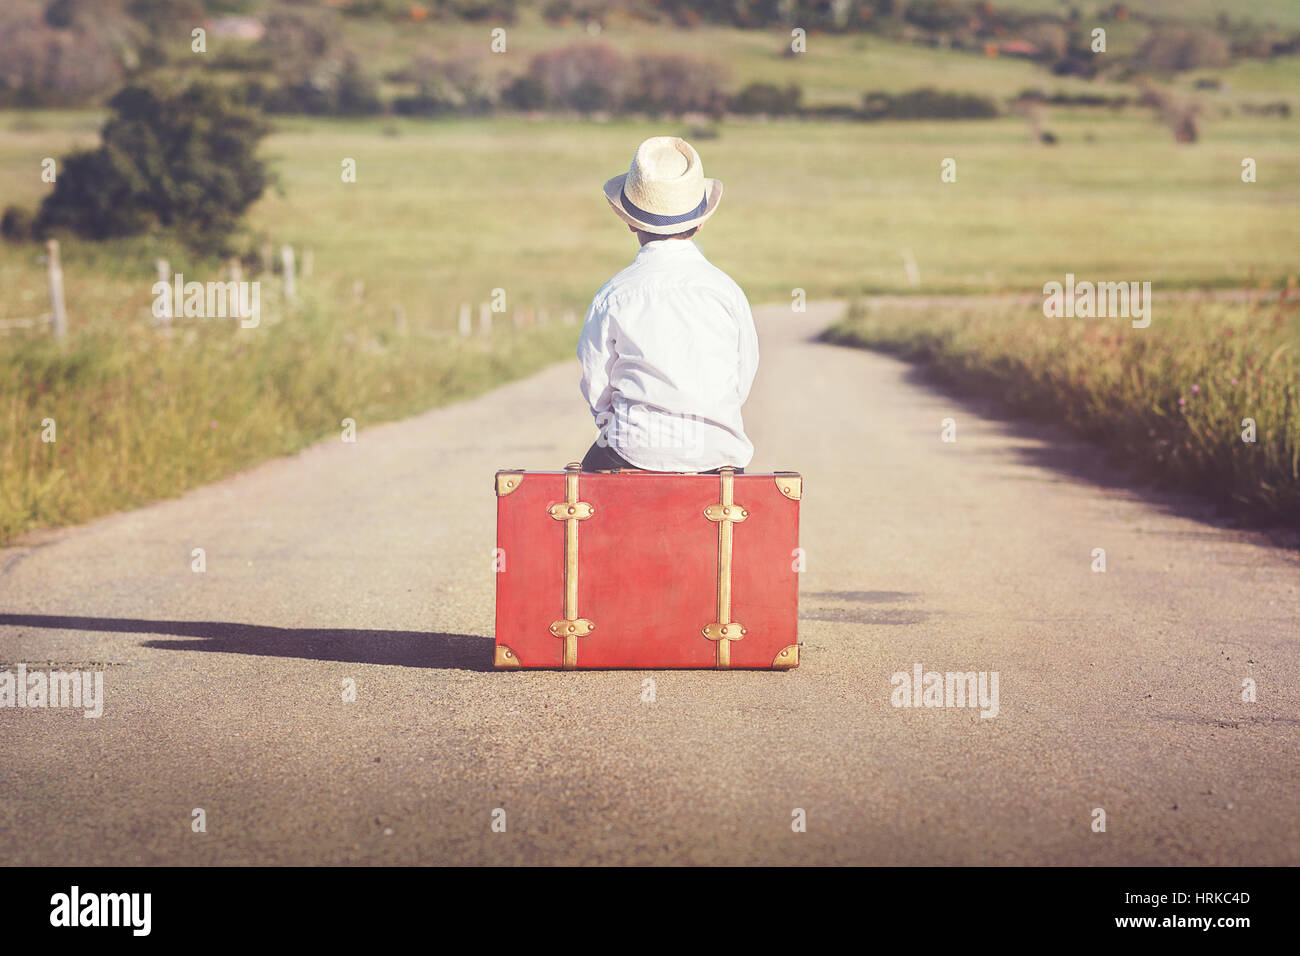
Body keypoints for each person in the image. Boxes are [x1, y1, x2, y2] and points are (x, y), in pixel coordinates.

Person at [577, 136, 758, 475]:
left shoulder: (613, 294)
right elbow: (741, 377)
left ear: (630, 221)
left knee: (582, 495)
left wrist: (614, 424)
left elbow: (595, 384)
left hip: (631, 448)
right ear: (701, 221)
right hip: (718, 452)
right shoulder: (727, 291)